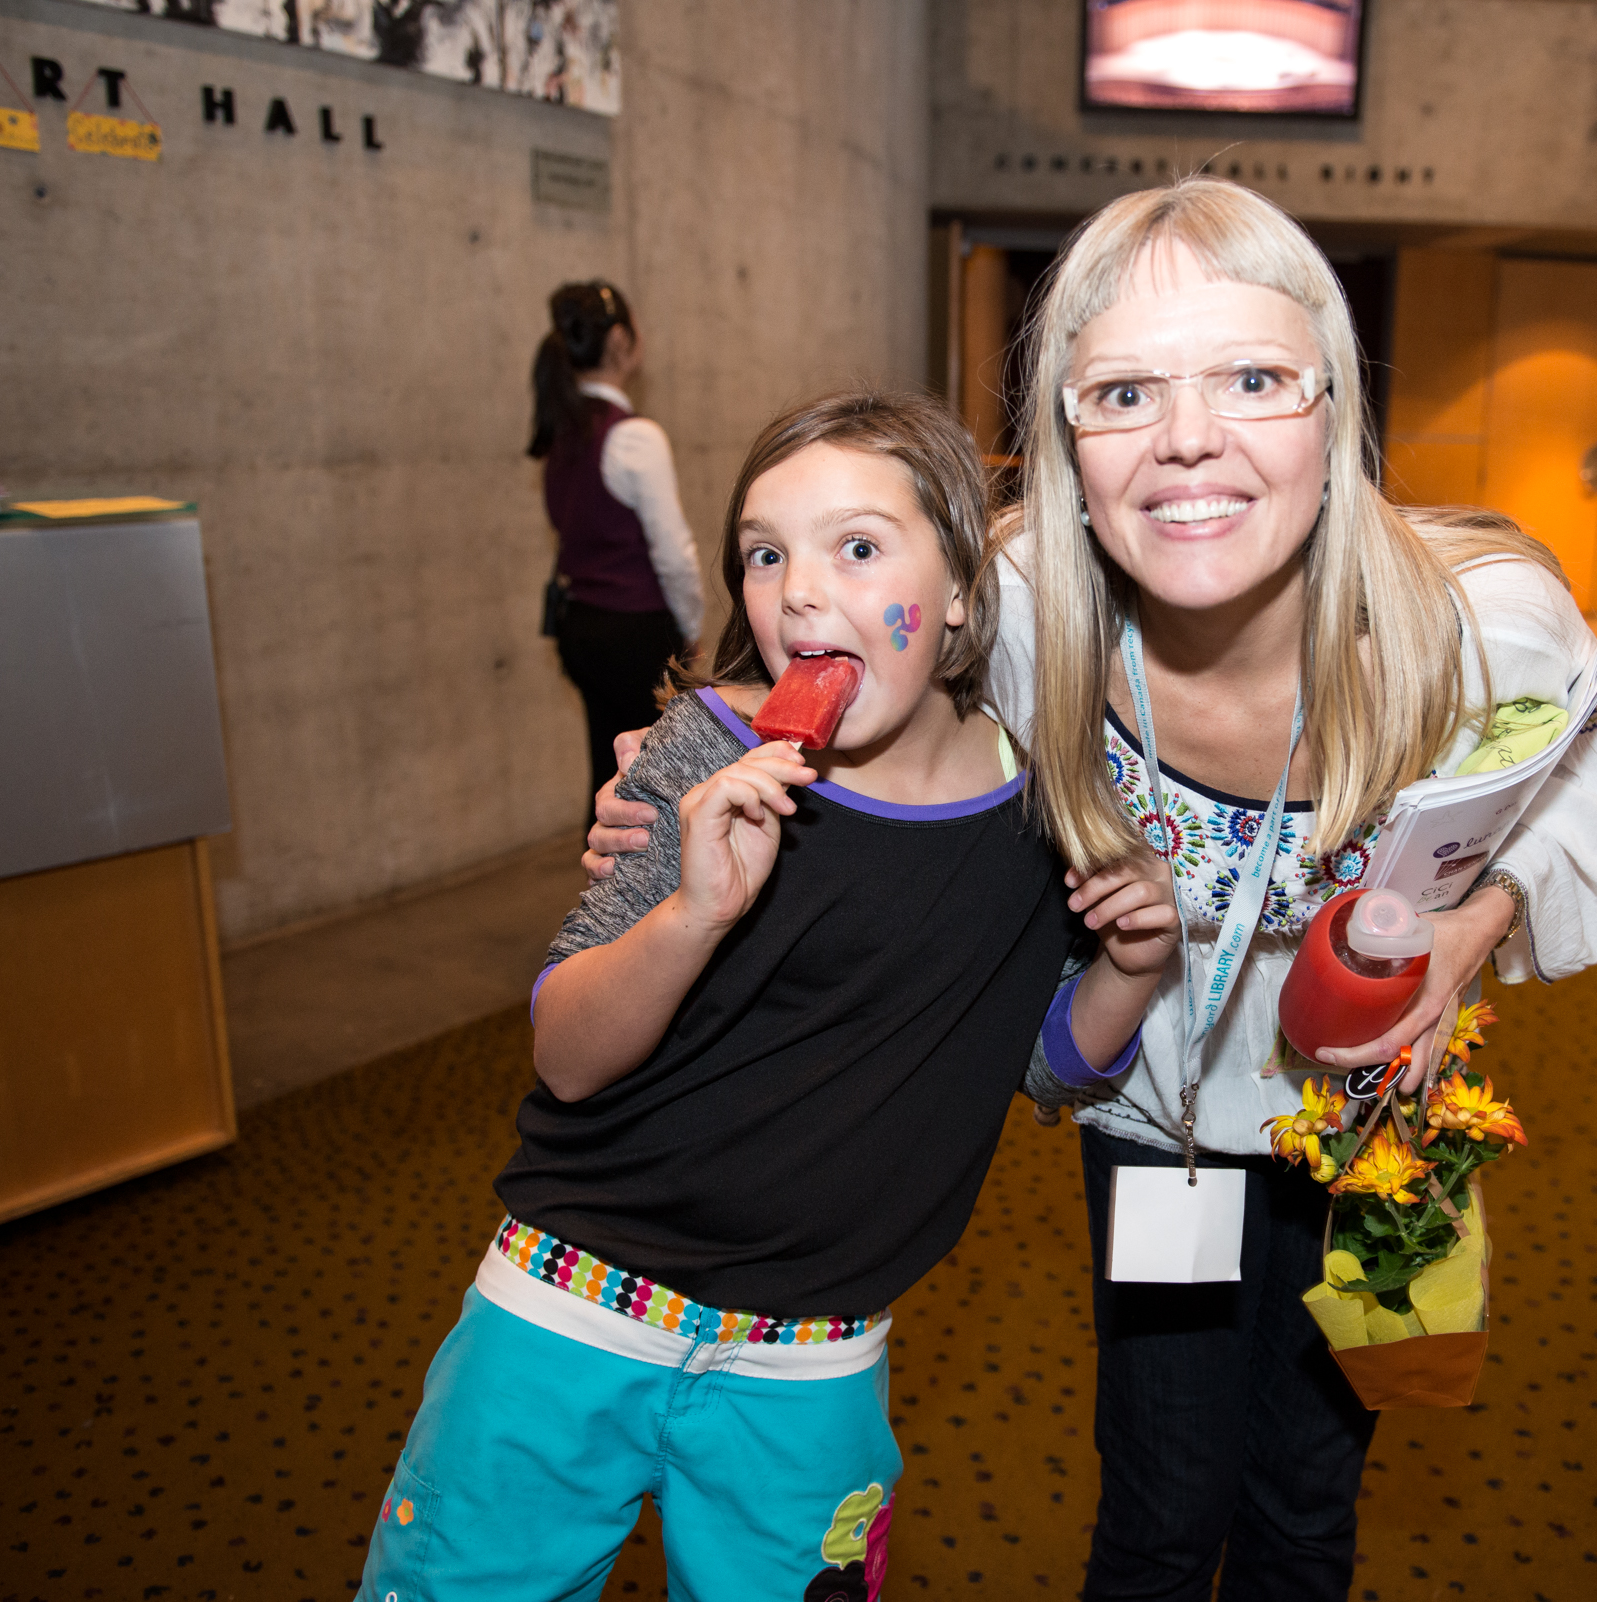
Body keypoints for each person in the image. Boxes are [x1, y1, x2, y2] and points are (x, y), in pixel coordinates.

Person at [588, 179, 1597, 1601]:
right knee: (1159, 1502)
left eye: (1256, 378)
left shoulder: (1480, 619)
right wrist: (680, 760)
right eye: (1126, 390)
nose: (1191, 439)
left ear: (1334, 407)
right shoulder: (1028, 607)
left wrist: (1473, 926)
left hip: (1375, 1117)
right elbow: (857, 647)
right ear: (1065, 440)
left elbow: (1581, 788)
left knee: (1306, 1503)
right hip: (1165, 1129)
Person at [362, 391, 1178, 1602]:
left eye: (857, 547)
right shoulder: (700, 751)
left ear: (959, 584)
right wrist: (693, 913)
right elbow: (568, 1058)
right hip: (566, 1314)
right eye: (764, 552)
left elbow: (1050, 1067)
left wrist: (1133, 964)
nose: (797, 592)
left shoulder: (1041, 803)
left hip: (814, 1364)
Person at [529, 280, 707, 791]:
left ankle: (603, 869)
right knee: (651, 782)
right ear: (623, 341)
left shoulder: (559, 433)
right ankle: (645, 873)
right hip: (635, 634)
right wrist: (691, 628)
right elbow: (673, 554)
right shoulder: (633, 436)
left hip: (582, 629)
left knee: (608, 772)